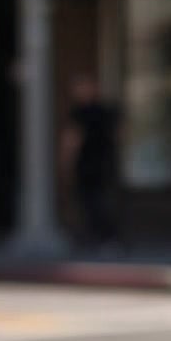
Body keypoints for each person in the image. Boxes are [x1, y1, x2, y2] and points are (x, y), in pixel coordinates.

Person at [61, 74, 122, 251]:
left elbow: (71, 141)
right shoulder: (104, 111)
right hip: (100, 164)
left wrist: (66, 164)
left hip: (92, 165)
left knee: (94, 203)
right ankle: (101, 238)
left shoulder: (84, 113)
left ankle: (106, 238)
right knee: (93, 202)